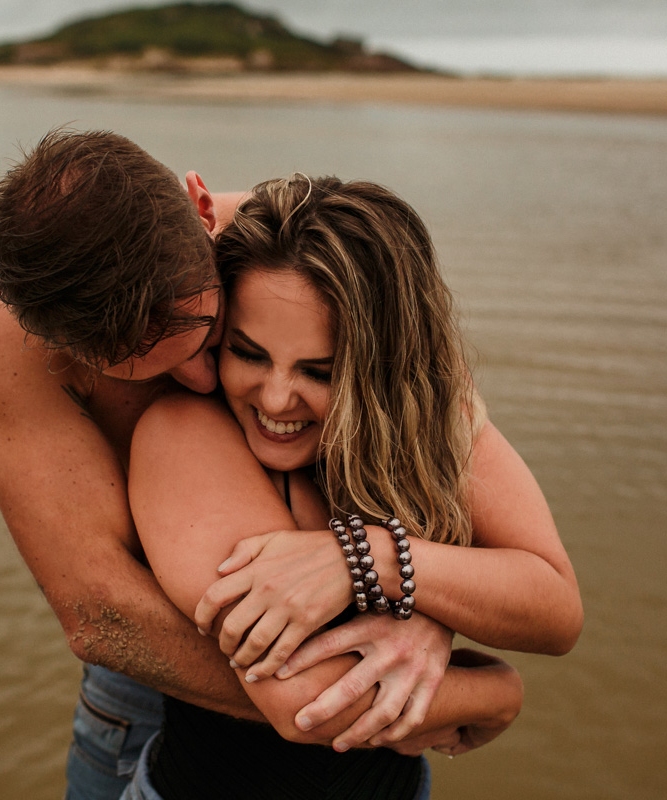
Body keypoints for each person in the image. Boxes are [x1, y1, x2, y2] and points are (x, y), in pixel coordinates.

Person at [0, 131, 499, 800]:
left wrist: (423, 620)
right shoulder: (8, 337)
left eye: (212, 334)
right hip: (150, 667)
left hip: (342, 617)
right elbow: (97, 610)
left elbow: (436, 467)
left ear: (202, 208)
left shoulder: (306, 257)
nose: (198, 380)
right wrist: (367, 705)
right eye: (140, 374)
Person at [124, 175, 583, 797]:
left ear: (383, 371)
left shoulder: (424, 417)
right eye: (248, 353)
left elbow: (555, 609)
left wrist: (369, 557)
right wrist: (499, 693)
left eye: (320, 371)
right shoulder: (183, 436)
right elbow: (309, 703)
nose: (277, 398)